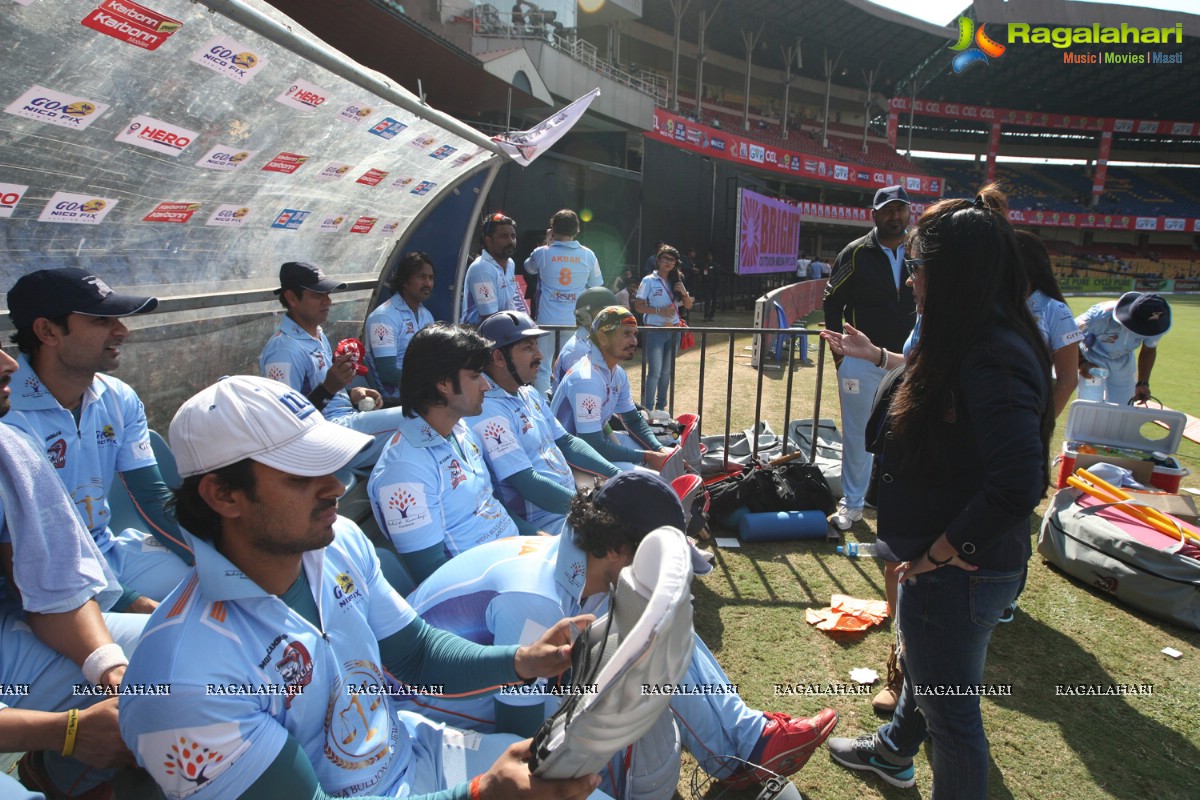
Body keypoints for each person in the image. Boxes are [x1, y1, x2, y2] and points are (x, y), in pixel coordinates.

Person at [118, 374, 601, 800]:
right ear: (223, 495)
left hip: (417, 753)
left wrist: (520, 661)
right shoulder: (184, 679)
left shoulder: (338, 543)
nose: (336, 486)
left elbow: (418, 655)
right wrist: (479, 793)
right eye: (302, 473)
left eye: (329, 463)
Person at [407, 472, 838, 793]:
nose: (656, 570)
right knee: (611, 705)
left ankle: (749, 741)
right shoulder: (535, 602)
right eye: (648, 556)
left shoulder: (580, 560)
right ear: (615, 548)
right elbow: (517, 729)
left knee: (654, 625)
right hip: (436, 698)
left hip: (482, 676)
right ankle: (745, 749)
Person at [826, 188, 1052, 797]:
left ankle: (903, 753)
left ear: (952, 272)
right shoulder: (969, 334)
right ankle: (895, 751)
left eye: (920, 266)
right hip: (952, 561)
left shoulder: (992, 352)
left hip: (960, 569)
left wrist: (936, 555)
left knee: (953, 719)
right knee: (932, 675)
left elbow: (1018, 483)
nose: (910, 280)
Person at [0, 347, 149, 799]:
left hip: (10, 646)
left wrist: (109, 665)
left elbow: (52, 592)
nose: (10, 364)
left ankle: (58, 775)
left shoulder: (8, 451)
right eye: (100, 320)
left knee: (181, 660)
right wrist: (66, 732)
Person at [5, 268, 191, 605]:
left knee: (217, 589)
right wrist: (127, 601)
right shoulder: (8, 417)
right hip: (41, 585)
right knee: (159, 635)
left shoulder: (118, 397)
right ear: (47, 331)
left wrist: (215, 556)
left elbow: (151, 496)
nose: (123, 331)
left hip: (106, 550)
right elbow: (25, 550)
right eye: (101, 320)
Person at [367, 324, 519, 585]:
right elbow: (434, 576)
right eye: (475, 376)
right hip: (481, 591)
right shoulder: (405, 469)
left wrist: (541, 540)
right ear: (443, 383)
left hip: (512, 562)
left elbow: (492, 507)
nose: (486, 386)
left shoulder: (460, 430)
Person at [469, 312, 621, 535]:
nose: (540, 355)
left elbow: (567, 443)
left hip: (571, 505)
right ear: (499, 358)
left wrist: (618, 476)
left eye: (536, 346)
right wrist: (592, 507)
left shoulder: (527, 393)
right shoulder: (488, 411)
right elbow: (527, 483)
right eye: (528, 347)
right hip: (546, 523)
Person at [822, 186, 916, 532]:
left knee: (910, 432)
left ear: (909, 212)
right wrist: (839, 355)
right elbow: (832, 302)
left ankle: (902, 503)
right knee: (858, 434)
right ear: (874, 215)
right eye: (887, 211)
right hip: (861, 360)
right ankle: (853, 504)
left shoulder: (922, 249)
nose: (894, 217)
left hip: (909, 359)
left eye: (900, 210)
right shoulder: (857, 251)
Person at [260, 261, 406, 472]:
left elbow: (324, 394)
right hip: (324, 439)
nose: (327, 302)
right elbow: (287, 424)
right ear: (292, 298)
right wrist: (329, 387)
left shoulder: (315, 333)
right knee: (419, 417)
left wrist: (352, 393)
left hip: (345, 421)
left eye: (327, 294)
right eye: (317, 295)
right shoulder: (284, 351)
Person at [549, 307, 674, 472]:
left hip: (594, 446)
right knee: (655, 480)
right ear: (602, 337)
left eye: (635, 334)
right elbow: (593, 445)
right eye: (626, 334)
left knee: (673, 445)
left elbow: (633, 420)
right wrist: (647, 457)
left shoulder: (616, 373)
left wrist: (658, 449)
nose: (634, 341)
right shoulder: (587, 380)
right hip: (569, 460)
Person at [522, 210, 604, 393]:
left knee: (543, 367)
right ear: (577, 229)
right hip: (575, 320)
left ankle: (545, 407)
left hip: (547, 320)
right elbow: (597, 285)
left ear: (552, 229)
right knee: (573, 364)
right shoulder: (588, 254)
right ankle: (569, 402)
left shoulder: (542, 252)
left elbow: (528, 267)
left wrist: (548, 242)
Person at [1014, 230, 1081, 419]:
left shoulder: (1055, 310)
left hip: (1026, 416)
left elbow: (1067, 378)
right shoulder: (987, 304)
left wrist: (1043, 424)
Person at [364, 251, 437, 402]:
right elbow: (388, 372)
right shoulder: (384, 317)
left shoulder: (426, 315)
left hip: (424, 391)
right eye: (421, 277)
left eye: (431, 278)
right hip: (397, 399)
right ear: (404, 281)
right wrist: (430, 383)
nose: (428, 283)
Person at [1076, 291, 1171, 405]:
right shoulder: (1099, 314)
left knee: (1124, 406)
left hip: (1124, 360)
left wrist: (1143, 383)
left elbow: (1148, 350)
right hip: (1091, 357)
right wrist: (1082, 362)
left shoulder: (1157, 323)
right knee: (1090, 405)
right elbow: (1068, 336)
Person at [633, 245, 694, 412]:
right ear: (658, 260)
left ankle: (661, 408)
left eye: (672, 260)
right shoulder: (648, 281)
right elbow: (638, 306)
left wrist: (684, 292)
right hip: (655, 331)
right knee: (655, 372)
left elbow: (688, 306)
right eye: (665, 259)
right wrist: (659, 311)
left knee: (666, 372)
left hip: (673, 331)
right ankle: (647, 408)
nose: (668, 263)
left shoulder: (677, 280)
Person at [461, 213, 529, 325]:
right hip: (477, 335)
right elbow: (490, 318)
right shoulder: (481, 268)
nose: (510, 241)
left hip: (501, 330)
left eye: (513, 236)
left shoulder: (510, 263)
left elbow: (508, 304)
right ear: (488, 240)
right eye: (503, 236)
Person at [552, 287, 618, 387]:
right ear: (585, 316)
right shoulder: (579, 352)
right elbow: (583, 395)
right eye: (604, 315)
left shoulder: (592, 344)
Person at [699, 253, 720, 322]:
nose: (709, 257)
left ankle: (711, 316)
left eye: (710, 256)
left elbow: (721, 272)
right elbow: (703, 274)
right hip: (707, 286)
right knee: (707, 301)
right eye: (708, 256)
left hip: (715, 286)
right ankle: (706, 316)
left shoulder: (715, 265)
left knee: (714, 301)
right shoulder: (704, 265)